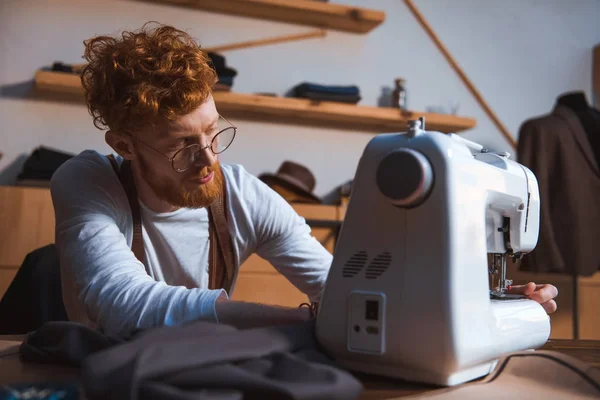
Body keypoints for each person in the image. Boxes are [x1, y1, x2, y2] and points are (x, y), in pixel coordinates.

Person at [51, 23, 558, 339]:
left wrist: (480, 301)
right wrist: (294, 319)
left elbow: (347, 287)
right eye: (181, 144)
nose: (208, 158)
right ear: (124, 145)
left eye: (213, 130)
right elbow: (123, 304)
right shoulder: (90, 182)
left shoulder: (242, 195)